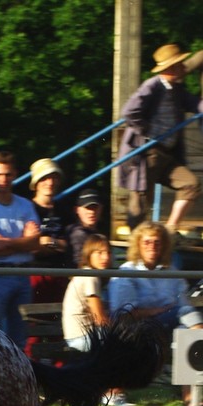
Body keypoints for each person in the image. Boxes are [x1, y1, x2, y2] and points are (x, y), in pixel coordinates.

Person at [109, 220, 203, 406]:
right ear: (138, 245)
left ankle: (190, 397)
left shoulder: (171, 272)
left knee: (188, 332)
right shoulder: (127, 271)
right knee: (189, 321)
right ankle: (199, 329)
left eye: (157, 242)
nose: (152, 246)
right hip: (139, 327)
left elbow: (184, 303)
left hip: (170, 326)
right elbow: (124, 313)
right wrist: (160, 311)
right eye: (147, 242)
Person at [119, 43, 203, 233]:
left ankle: (170, 230)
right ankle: (136, 245)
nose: (184, 67)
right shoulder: (152, 86)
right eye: (180, 64)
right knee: (140, 204)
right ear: (171, 68)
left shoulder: (176, 88)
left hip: (167, 155)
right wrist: (148, 130)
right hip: (148, 154)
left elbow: (194, 103)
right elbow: (129, 111)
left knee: (190, 184)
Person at [0, 151, 42, 348]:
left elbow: (36, 243)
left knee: (20, 339)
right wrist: (24, 240)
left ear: (15, 175)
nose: (4, 179)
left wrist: (8, 242)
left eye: (8, 174)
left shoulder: (25, 205)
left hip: (23, 275)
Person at [28, 158, 73, 303]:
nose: (50, 183)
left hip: (60, 274)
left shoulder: (64, 210)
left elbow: (69, 245)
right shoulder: (27, 209)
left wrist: (48, 241)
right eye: (45, 178)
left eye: (54, 178)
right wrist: (56, 245)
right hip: (34, 274)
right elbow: (31, 247)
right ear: (36, 183)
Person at [62, 233, 112, 352]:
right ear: (89, 254)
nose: (105, 257)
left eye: (108, 252)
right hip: (83, 339)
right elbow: (99, 318)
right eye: (99, 253)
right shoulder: (90, 276)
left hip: (77, 337)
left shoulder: (86, 273)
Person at [65, 189, 106, 267]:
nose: (91, 212)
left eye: (95, 207)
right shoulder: (77, 234)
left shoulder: (99, 233)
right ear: (77, 210)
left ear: (101, 209)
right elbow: (78, 264)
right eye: (87, 208)